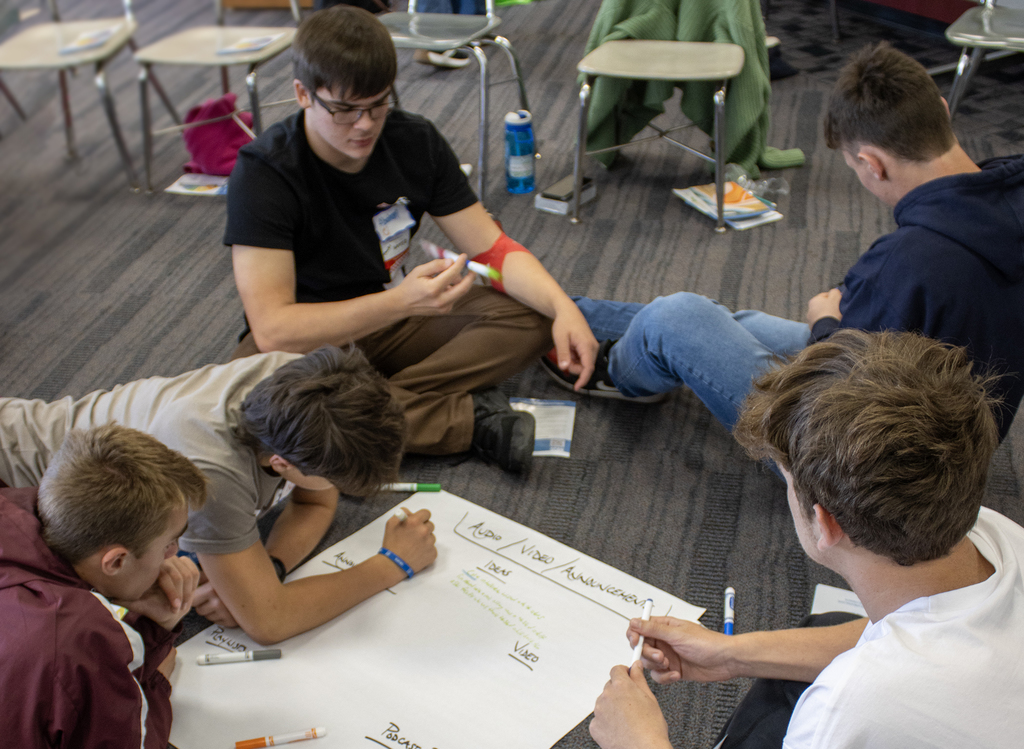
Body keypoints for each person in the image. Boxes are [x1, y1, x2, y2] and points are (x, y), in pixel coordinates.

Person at [497, 329, 1024, 749]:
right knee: (817, 646)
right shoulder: (998, 538)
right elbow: (890, 636)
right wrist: (730, 654)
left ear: (823, 522)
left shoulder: (867, 712)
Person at [545, 41, 1024, 442]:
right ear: (942, 111)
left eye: (855, 169)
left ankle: (612, 371)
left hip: (870, 467)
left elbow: (842, 398)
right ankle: (555, 311)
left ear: (872, 163)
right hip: (955, 426)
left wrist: (825, 326)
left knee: (676, 318)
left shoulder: (906, 263)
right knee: (736, 323)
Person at [224, 5, 599, 474]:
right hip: (309, 339)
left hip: (394, 318)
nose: (365, 124)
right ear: (303, 94)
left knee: (533, 314)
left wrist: (563, 307)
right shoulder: (264, 172)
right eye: (345, 109)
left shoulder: (414, 140)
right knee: (246, 407)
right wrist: (400, 302)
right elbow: (274, 328)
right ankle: (459, 420)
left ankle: (350, 417)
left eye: (378, 103)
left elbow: (492, 248)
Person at [0, 347, 437, 645]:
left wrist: (270, 567)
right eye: (330, 478)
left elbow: (316, 500)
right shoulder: (211, 473)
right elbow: (270, 622)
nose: (336, 490)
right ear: (281, 464)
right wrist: (392, 563)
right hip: (15, 487)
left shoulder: (308, 389)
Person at [0, 425, 206, 749]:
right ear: (114, 561)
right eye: (169, 544)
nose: (176, 556)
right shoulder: (77, 634)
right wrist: (155, 665)